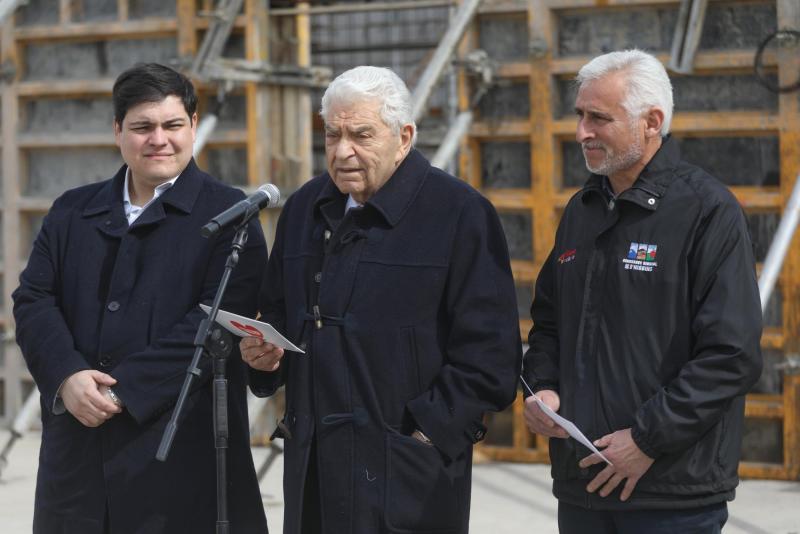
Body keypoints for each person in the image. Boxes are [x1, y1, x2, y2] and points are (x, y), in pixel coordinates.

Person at [240, 65, 521, 533]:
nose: (343, 150)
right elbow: (276, 314)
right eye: (332, 135)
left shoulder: (459, 213)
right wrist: (263, 357)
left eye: (361, 135)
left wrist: (426, 434)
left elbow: (490, 358)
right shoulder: (304, 209)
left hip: (407, 473)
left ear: (404, 136)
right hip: (314, 470)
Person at [13, 63, 269, 534]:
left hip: (176, 459)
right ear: (117, 131)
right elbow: (33, 299)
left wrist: (121, 390)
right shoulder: (73, 210)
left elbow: (214, 322)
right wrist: (67, 377)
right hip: (78, 455)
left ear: (193, 125)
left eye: (173, 125)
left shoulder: (232, 216)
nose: (159, 139)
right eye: (142, 127)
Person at [521, 49, 763, 533]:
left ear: (652, 121)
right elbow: (549, 322)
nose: (581, 133)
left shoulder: (707, 211)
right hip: (583, 488)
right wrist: (543, 387)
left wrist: (646, 440)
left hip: (671, 497)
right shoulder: (582, 210)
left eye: (599, 118)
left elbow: (730, 354)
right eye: (580, 115)